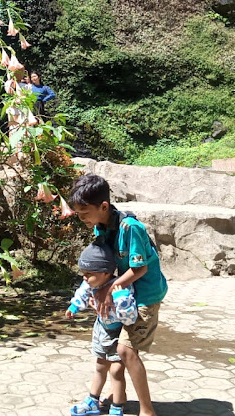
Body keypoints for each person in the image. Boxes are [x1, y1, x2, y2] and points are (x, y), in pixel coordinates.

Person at [69, 174, 168, 416]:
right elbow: (105, 265)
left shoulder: (130, 228)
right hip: (124, 293)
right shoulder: (101, 226)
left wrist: (109, 289)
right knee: (109, 354)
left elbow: (140, 268)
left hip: (145, 295)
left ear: (103, 206)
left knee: (125, 351)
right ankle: (114, 400)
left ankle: (147, 411)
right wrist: (97, 289)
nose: (82, 219)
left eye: (84, 213)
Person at [65, 242, 138, 416]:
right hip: (101, 328)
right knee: (99, 366)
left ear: (105, 273)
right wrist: (74, 307)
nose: (85, 278)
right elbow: (83, 293)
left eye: (88, 274)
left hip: (117, 332)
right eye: (83, 274)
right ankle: (92, 400)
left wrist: (119, 298)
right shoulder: (91, 283)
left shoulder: (122, 288)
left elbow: (130, 317)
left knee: (116, 370)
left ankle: (117, 405)